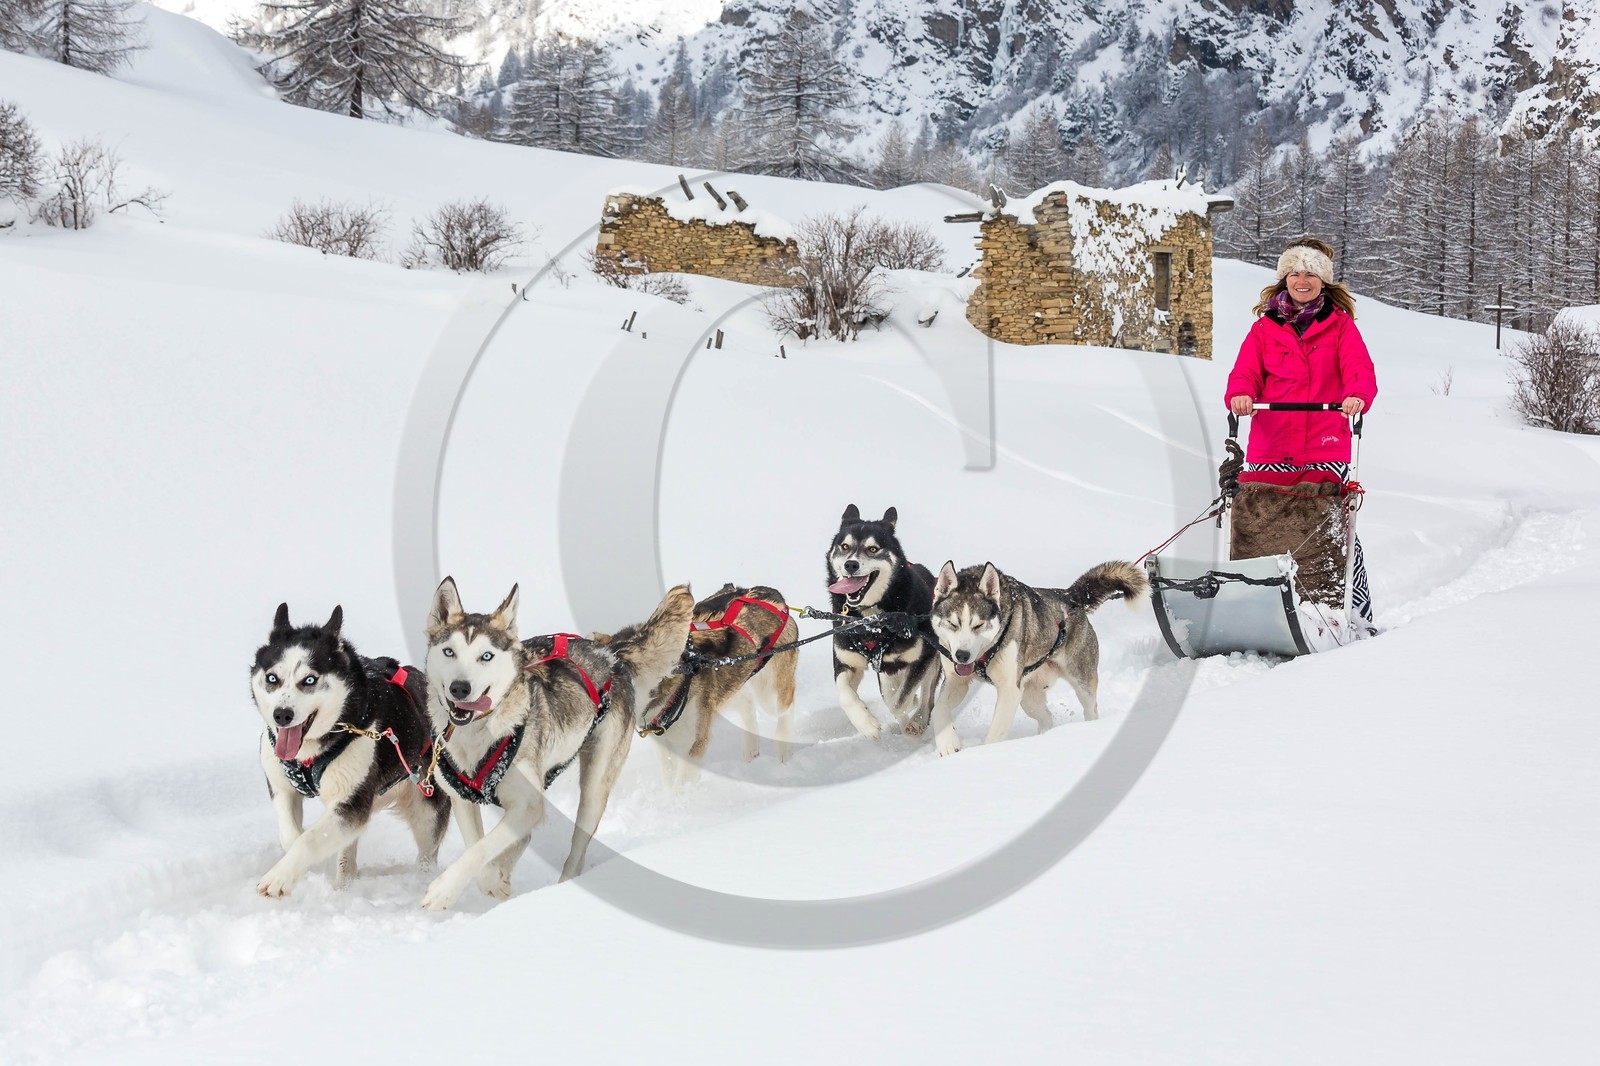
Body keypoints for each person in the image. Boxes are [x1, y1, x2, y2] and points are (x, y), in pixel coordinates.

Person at [1224, 236, 1378, 626]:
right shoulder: (1263, 330)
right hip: (1271, 448)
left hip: (1325, 445)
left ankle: (1350, 612)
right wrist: (1241, 394)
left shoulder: (1340, 327)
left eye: (1310, 273)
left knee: (1332, 529)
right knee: (1261, 523)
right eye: (1295, 273)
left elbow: (1360, 371)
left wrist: (1357, 395)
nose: (1302, 280)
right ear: (1284, 279)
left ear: (1323, 281)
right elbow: (1244, 373)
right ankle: (1255, 605)